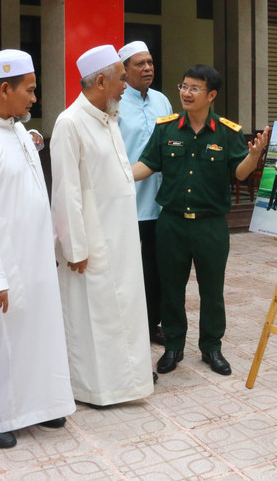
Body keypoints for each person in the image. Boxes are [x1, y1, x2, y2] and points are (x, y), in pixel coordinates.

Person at [0, 49, 75, 449]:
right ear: (5, 88)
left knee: (40, 333)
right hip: (3, 264)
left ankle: (41, 405)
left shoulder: (20, 132)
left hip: (36, 258)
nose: (34, 98)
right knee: (0, 344)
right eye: (30, 90)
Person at [132, 64, 270, 377]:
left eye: (195, 88)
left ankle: (211, 347)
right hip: (172, 223)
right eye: (184, 86)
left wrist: (254, 155)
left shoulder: (227, 132)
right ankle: (173, 346)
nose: (186, 93)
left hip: (210, 225)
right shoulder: (166, 128)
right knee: (171, 288)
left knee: (212, 289)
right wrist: (118, 176)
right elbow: (147, 164)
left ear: (211, 95)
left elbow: (239, 173)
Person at [51, 45, 154, 407]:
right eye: (121, 78)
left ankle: (128, 384)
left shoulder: (109, 118)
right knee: (94, 320)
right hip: (92, 243)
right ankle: (94, 390)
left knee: (123, 313)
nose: (126, 85)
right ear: (100, 81)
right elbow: (66, 193)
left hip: (122, 239)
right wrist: (75, 248)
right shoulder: (70, 123)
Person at [117, 41, 173, 346]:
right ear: (124, 70)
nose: (148, 68)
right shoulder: (114, 102)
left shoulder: (162, 102)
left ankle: (152, 325)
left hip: (159, 203)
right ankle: (125, 326)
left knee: (156, 270)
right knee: (125, 271)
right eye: (140, 63)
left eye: (150, 62)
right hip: (124, 202)